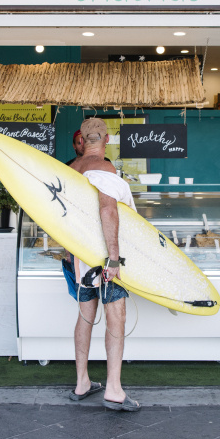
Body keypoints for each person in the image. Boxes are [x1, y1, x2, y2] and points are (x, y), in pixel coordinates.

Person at [66, 117, 139, 411]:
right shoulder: (105, 169)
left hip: (80, 259)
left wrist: (72, 255)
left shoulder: (70, 170)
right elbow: (108, 211)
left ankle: (82, 382)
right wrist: (113, 257)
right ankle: (114, 389)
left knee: (85, 316)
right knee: (116, 317)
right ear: (107, 140)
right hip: (104, 261)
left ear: (82, 141)